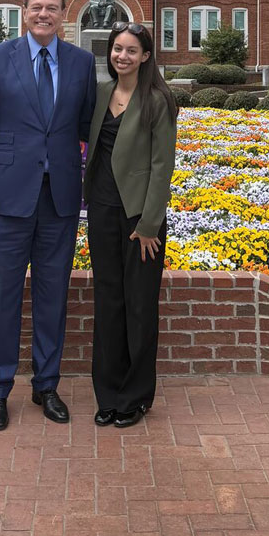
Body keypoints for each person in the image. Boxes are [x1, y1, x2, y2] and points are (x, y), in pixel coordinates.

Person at [0, 0, 97, 431]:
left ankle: (46, 385)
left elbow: (85, 131)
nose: (45, 15)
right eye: (37, 8)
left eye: (53, 9)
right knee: (1, 298)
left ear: (63, 15)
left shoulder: (80, 63)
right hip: (4, 199)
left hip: (58, 198)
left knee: (51, 297)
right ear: (23, 13)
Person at [83, 21, 178, 429]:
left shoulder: (158, 100)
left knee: (139, 306)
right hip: (102, 212)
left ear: (145, 56)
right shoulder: (101, 92)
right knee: (107, 303)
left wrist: (150, 224)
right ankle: (107, 394)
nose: (122, 56)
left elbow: (162, 166)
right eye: (116, 49)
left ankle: (135, 396)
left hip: (141, 220)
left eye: (130, 50)